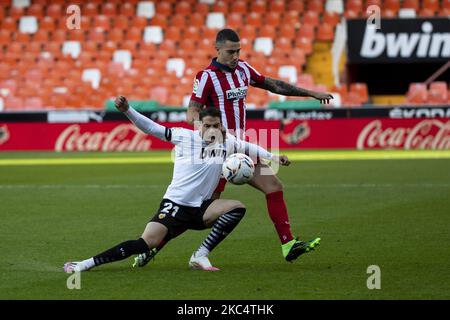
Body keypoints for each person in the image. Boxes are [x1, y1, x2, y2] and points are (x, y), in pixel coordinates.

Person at [134, 28, 326, 267]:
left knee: (274, 186)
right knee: (200, 211)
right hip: (217, 151)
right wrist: (208, 132)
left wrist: (310, 93)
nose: (235, 56)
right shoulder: (206, 76)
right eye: (230, 51)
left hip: (240, 148)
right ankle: (154, 247)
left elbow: (273, 85)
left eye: (238, 51)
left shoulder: (244, 69)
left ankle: (288, 245)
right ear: (218, 49)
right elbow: (192, 110)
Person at [64, 96, 291, 273]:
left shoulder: (226, 140)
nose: (213, 130)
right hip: (175, 204)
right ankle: (86, 264)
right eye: (208, 125)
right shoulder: (185, 136)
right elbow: (152, 128)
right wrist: (127, 111)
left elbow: (249, 147)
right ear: (199, 125)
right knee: (145, 243)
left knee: (237, 208)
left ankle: (200, 254)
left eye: (217, 126)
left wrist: (274, 156)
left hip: (202, 208)